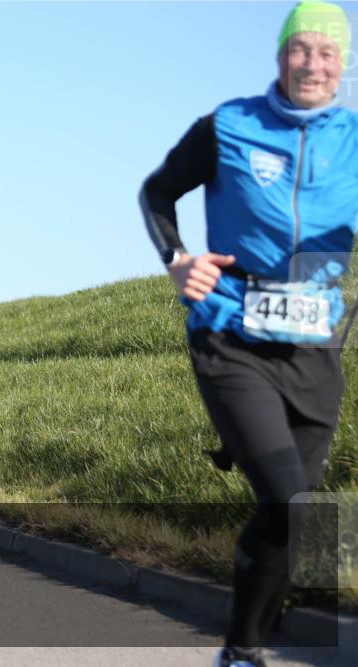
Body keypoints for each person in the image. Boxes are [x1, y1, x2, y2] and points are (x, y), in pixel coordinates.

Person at [139, 4, 355, 665]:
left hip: (316, 343)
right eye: (300, 49)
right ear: (279, 57)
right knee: (293, 506)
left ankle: (241, 649)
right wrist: (178, 258)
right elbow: (157, 192)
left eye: (326, 52)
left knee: (292, 516)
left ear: (343, 65)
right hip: (231, 332)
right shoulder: (228, 126)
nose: (312, 63)